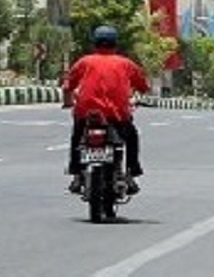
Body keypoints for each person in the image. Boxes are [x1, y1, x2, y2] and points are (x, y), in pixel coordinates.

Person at [63, 25, 150, 195]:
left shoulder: (85, 61)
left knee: (77, 138)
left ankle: (76, 174)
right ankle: (132, 172)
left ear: (94, 44)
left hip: (86, 113)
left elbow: (68, 86)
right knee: (131, 137)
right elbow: (143, 86)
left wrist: (68, 103)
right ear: (115, 44)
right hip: (117, 114)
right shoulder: (126, 63)